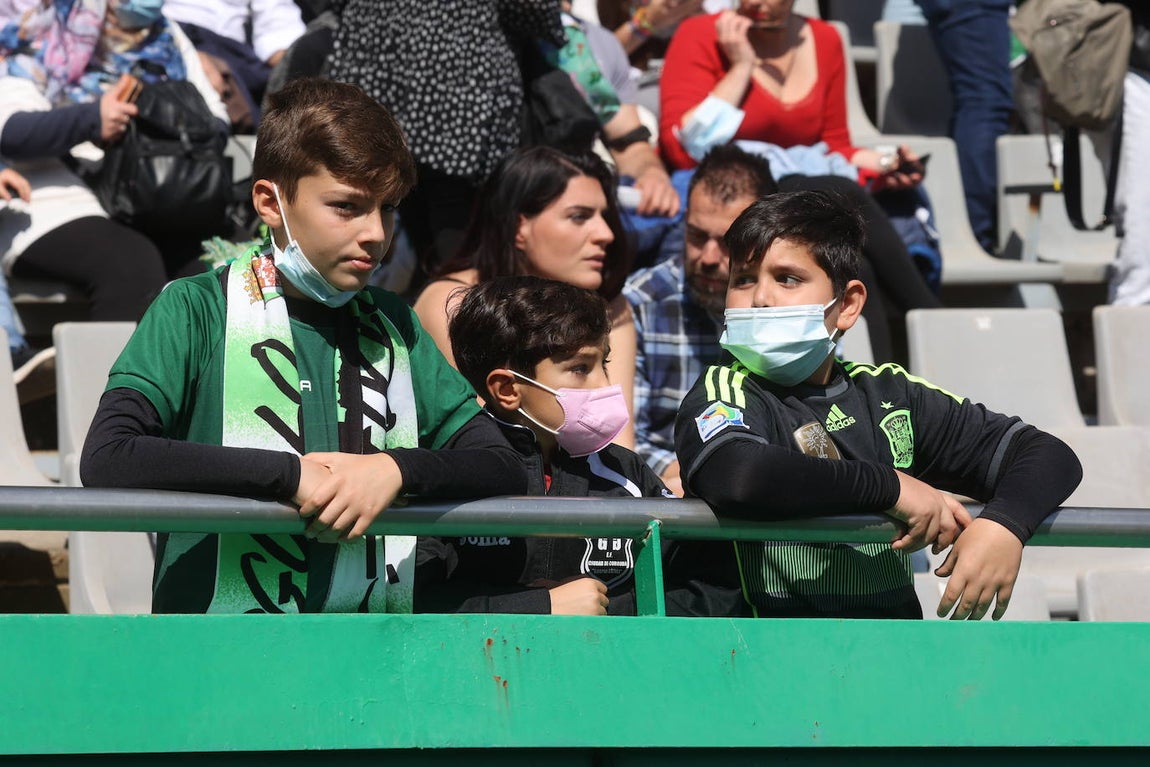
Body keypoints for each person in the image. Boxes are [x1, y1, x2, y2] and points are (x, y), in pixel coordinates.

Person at [80, 78, 529, 614]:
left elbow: (500, 463)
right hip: (216, 652)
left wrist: (393, 471)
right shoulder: (194, 308)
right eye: (346, 206)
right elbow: (109, 456)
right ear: (270, 203)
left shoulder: (394, 322)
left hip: (366, 652)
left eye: (388, 208)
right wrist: (290, 477)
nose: (375, 233)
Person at [674, 190, 1083, 619]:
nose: (760, 298)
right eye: (743, 279)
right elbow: (739, 475)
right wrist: (891, 487)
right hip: (762, 652)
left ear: (848, 305)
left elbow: (1046, 455)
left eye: (787, 278)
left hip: (890, 651)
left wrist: (1004, 526)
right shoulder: (723, 390)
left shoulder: (889, 393)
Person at [416, 275, 742, 617]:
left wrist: (612, 611)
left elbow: (709, 589)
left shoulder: (626, 474)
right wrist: (541, 606)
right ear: (507, 389)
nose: (604, 385)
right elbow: (409, 599)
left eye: (604, 363)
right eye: (580, 368)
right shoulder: (453, 474)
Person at [0, 0, 227, 320]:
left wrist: (154, 121)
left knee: (220, 267)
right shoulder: (43, 30)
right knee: (131, 264)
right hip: (50, 197)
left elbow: (216, 121)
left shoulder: (166, 33)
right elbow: (12, 131)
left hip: (153, 195)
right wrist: (93, 119)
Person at [327, 0, 564, 287]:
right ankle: (457, 307)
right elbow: (535, 10)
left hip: (377, 73)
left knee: (391, 202)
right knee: (458, 241)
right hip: (457, 87)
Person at [414, 146, 638, 447]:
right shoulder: (451, 302)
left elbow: (618, 441)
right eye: (579, 216)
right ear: (519, 226)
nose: (605, 233)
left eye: (604, 216)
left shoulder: (611, 306)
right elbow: (481, 438)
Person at [623, 144, 775, 495]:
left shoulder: (792, 310)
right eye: (695, 236)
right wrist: (703, 472)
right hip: (670, 493)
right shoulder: (641, 303)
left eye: (727, 242)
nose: (707, 257)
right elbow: (625, 441)